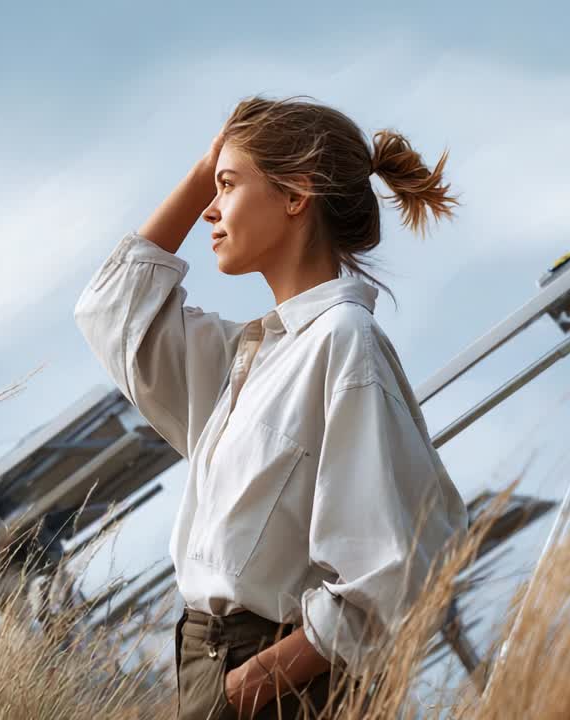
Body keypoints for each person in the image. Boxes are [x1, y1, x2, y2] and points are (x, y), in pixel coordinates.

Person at [73, 95, 469, 719]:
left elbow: (396, 568)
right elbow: (113, 312)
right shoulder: (247, 358)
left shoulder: (344, 342)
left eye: (227, 186)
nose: (209, 207)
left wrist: (247, 686)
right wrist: (211, 162)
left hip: (277, 684)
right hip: (211, 670)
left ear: (295, 196)